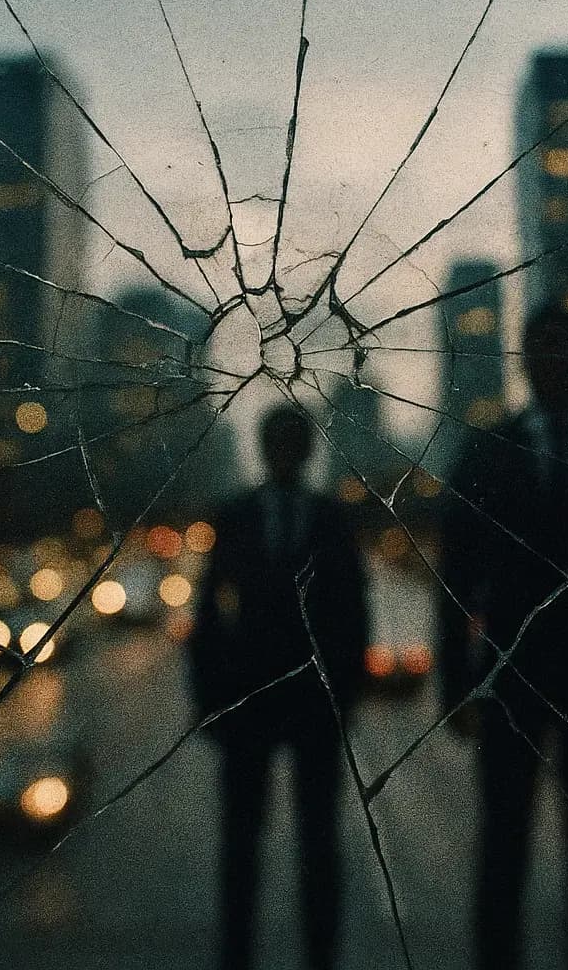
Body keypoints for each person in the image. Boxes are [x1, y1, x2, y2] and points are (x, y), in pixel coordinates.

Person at [439, 304, 568, 970]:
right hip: (510, 673)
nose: (554, 361)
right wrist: (456, 688)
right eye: (542, 349)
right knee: (504, 840)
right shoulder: (485, 449)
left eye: (566, 349)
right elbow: (454, 582)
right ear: (524, 362)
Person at [187, 404, 369, 970]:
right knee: (241, 847)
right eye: (279, 441)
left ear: (308, 450)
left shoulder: (332, 518)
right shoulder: (235, 515)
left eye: (297, 441)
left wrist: (346, 692)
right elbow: (208, 614)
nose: (288, 452)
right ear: (264, 450)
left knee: (318, 844)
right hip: (248, 701)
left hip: (315, 704)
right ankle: (234, 955)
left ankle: (322, 955)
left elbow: (353, 613)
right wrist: (209, 700)